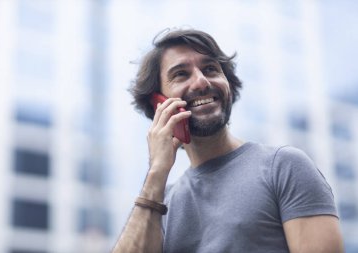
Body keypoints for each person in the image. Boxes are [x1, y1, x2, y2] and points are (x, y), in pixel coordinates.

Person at [112, 28, 344, 253]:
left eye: (211, 69)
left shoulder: (284, 166)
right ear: (158, 103)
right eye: (181, 74)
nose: (202, 82)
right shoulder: (159, 204)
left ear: (228, 85)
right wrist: (157, 173)